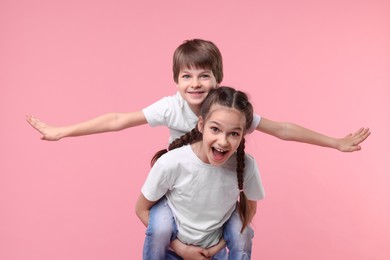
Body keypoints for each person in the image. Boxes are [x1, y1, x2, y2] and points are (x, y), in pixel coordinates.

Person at [26, 39, 370, 151]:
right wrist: (63, 130)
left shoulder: (228, 107)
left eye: (203, 76)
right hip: (183, 181)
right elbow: (118, 119)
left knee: (240, 235)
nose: (195, 83)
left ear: (217, 79)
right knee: (160, 230)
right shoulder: (170, 107)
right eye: (186, 76)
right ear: (176, 81)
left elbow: (281, 129)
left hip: (219, 182)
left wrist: (334, 142)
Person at [136, 86, 265, 259]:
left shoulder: (246, 166)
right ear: (201, 124)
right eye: (215, 129)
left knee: (243, 233)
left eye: (234, 133)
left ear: (242, 136)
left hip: (211, 251)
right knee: (160, 227)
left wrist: (214, 249)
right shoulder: (172, 163)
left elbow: (249, 210)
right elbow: (141, 208)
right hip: (173, 249)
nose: (223, 141)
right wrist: (180, 248)